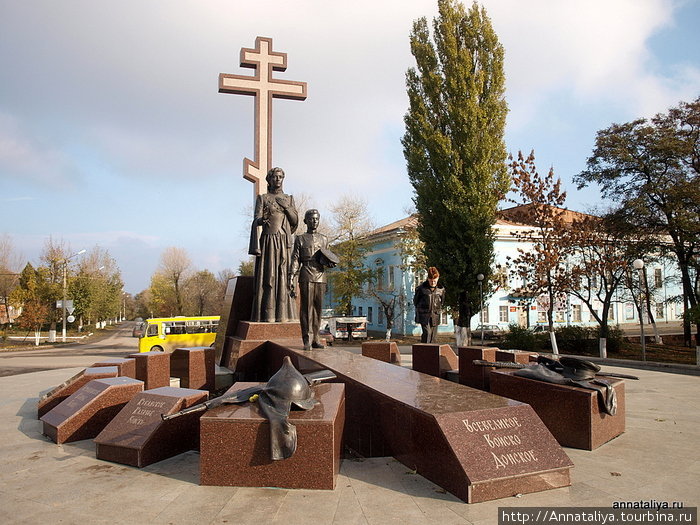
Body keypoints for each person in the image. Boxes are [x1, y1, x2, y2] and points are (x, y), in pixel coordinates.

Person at [249, 167, 298, 322]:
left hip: (284, 241)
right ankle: (268, 314)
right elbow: (256, 219)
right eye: (274, 177)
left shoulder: (288, 199)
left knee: (283, 275)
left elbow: (295, 222)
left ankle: (284, 314)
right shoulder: (263, 198)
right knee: (269, 276)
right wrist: (261, 220)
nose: (277, 179)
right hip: (269, 241)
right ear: (269, 179)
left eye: (280, 177)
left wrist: (287, 208)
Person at [289, 209, 337, 350]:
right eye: (311, 219)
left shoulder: (324, 239)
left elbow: (326, 257)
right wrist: (291, 276)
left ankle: (316, 338)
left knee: (318, 309)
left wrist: (330, 263)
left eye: (316, 219)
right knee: (306, 308)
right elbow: (295, 259)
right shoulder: (300, 238)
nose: (314, 221)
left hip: (320, 275)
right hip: (306, 273)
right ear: (305, 221)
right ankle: (307, 339)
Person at [413, 266, 445, 343]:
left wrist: (437, 309)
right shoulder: (421, 289)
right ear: (428, 279)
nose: (433, 282)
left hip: (435, 315)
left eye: (435, 281)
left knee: (433, 336)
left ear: (438, 279)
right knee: (427, 333)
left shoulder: (441, 289)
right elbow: (415, 301)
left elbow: (442, 302)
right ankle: (424, 350)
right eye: (431, 281)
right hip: (424, 315)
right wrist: (421, 309)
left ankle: (432, 353)